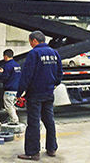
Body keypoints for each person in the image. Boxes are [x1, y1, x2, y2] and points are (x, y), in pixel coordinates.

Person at [17, 31, 63, 161]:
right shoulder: (54, 53)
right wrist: (53, 84)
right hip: (48, 93)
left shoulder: (34, 53)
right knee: (49, 121)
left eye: (30, 41)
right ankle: (51, 148)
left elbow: (27, 75)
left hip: (35, 94)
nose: (30, 44)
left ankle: (32, 152)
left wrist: (19, 93)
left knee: (33, 122)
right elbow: (60, 73)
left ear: (34, 41)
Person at [0, 49, 21, 124]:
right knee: (12, 105)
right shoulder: (17, 65)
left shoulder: (8, 65)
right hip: (16, 88)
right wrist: (3, 71)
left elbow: (5, 77)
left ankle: (14, 120)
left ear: (6, 56)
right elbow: (12, 74)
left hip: (9, 89)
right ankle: (12, 118)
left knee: (8, 105)